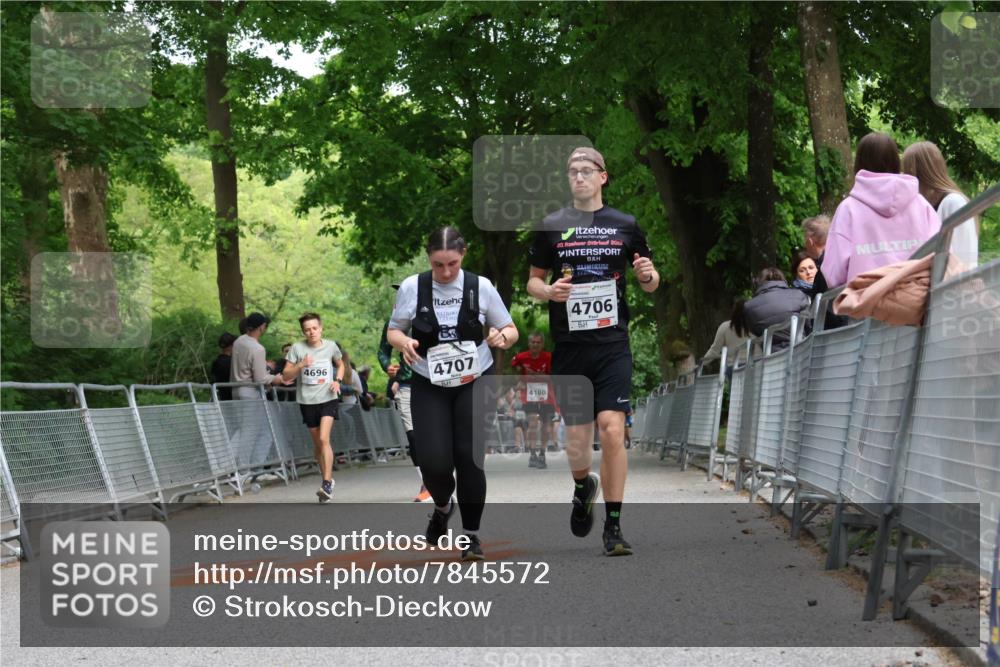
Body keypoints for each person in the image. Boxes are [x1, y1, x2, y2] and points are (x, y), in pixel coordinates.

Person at [527, 146, 660, 557]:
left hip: (611, 344)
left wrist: (648, 274)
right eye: (572, 172)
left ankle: (614, 527)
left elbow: (650, 280)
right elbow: (533, 282)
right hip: (569, 347)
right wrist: (548, 291)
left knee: (612, 428)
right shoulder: (550, 226)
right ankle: (583, 485)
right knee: (578, 443)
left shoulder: (625, 224)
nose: (579, 177)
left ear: (603, 176)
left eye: (587, 171)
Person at [388, 226, 518, 561]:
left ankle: (471, 536)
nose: (446, 272)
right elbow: (393, 330)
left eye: (453, 264)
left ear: (464, 254)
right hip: (428, 381)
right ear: (428, 258)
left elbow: (510, 328)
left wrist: (502, 337)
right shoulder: (412, 287)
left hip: (475, 379)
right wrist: (404, 342)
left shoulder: (481, 287)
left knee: (469, 458)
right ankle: (444, 507)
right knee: (433, 460)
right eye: (438, 265)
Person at [821, 132, 940, 288]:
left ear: (859, 163)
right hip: (914, 302)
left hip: (864, 303)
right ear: (896, 161)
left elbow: (834, 273)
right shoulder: (922, 205)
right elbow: (941, 254)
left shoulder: (848, 209)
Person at [281, 312, 346, 503]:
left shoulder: (331, 346)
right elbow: (286, 376)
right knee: (318, 443)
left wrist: (338, 381)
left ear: (321, 328)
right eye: (307, 329)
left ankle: (326, 483)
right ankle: (327, 478)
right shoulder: (297, 348)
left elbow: (341, 364)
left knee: (324, 438)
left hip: (328, 397)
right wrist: (301, 364)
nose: (311, 332)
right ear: (303, 331)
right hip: (307, 400)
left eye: (314, 328)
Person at [379, 312, 431, 503]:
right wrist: (388, 367)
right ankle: (426, 483)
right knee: (413, 436)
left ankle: (441, 477)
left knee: (433, 435)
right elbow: (383, 352)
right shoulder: (392, 323)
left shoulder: (434, 318)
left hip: (434, 384)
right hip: (407, 385)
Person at [901, 140, 978, 268]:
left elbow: (963, 258)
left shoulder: (954, 202)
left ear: (915, 170)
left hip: (953, 284)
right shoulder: (923, 204)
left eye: (906, 168)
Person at [510, 331, 557, 469]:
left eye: (538, 342)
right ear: (529, 343)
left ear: (542, 344)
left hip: (547, 394)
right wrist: (518, 381)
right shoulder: (521, 357)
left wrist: (536, 377)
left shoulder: (549, 357)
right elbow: (513, 368)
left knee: (547, 424)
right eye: (533, 342)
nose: (535, 345)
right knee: (532, 422)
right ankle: (532, 454)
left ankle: (542, 453)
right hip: (529, 394)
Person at [743, 268, 811, 348]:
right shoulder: (798, 295)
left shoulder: (749, 306)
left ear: (759, 283)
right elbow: (808, 323)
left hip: (772, 354)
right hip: (801, 348)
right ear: (783, 280)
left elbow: (755, 331)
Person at [230, 312, 289, 399]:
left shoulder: (238, 341)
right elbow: (260, 379)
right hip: (250, 393)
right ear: (262, 327)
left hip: (235, 391)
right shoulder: (258, 348)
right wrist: (275, 378)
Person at [702, 299, 749, 367]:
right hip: (756, 363)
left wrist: (702, 364)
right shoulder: (754, 324)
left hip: (734, 366)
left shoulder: (725, 327)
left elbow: (714, 351)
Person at [211, 332, 237, 401]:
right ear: (232, 345)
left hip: (221, 396)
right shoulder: (232, 362)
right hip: (232, 395)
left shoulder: (216, 362)